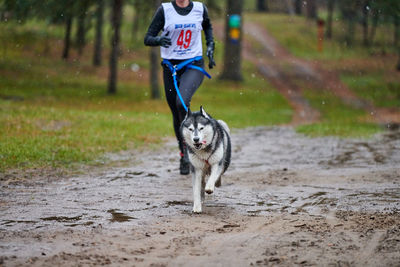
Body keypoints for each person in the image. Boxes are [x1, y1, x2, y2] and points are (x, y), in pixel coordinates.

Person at [144, 0, 215, 175]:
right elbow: (148, 38)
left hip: (194, 65)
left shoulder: (199, 9)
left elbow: (207, 27)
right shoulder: (165, 10)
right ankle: (184, 152)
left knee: (181, 102)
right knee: (177, 114)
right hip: (171, 68)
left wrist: (210, 44)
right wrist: (158, 40)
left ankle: (195, 151)